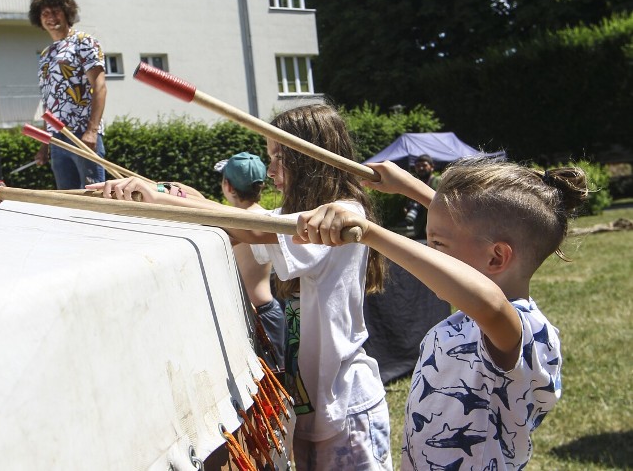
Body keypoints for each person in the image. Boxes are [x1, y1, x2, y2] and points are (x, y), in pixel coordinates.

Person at [88, 103, 393, 471]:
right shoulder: (303, 215)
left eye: (280, 157)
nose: (271, 170)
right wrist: (186, 200)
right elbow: (242, 226)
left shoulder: (341, 213)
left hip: (346, 407)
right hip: (316, 408)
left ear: (311, 159)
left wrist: (157, 198)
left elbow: (252, 228)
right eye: (270, 157)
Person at [296, 156, 589, 470]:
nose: (428, 250)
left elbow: (488, 301)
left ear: (496, 259)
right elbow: (468, 228)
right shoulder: (475, 315)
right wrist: (411, 188)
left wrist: (369, 233)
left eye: (436, 243)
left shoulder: (520, 330)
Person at [29, 0, 108, 189]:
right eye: (45, 14)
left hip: (82, 134)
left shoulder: (85, 42)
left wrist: (92, 131)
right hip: (57, 141)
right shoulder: (45, 55)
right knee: (67, 202)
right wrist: (44, 145)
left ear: (67, 13)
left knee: (93, 197)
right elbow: (49, 104)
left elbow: (99, 87)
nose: (50, 18)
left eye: (55, 12)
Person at [215, 152, 285, 370]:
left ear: (227, 185)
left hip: (257, 318)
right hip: (268, 312)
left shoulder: (236, 225)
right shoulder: (267, 217)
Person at [404, 154, 440, 240]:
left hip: (437, 228)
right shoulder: (414, 184)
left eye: (424, 165)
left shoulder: (439, 181)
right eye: (418, 166)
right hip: (419, 228)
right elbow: (408, 202)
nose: (421, 168)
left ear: (432, 167)